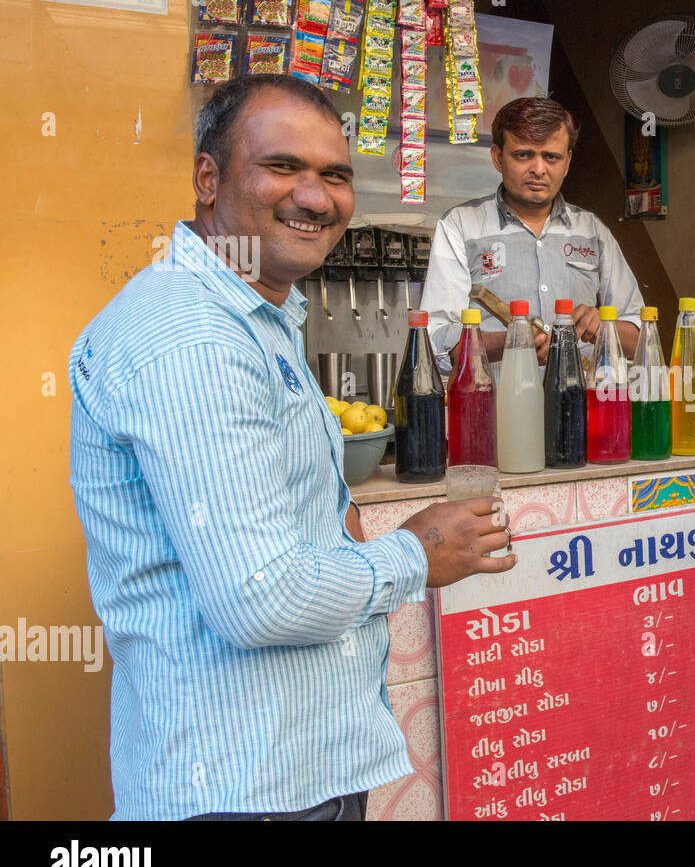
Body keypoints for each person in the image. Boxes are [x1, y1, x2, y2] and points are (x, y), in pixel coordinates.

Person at [68, 75, 517, 821]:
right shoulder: (192, 336)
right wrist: (414, 552)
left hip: (295, 769)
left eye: (335, 175)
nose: (316, 197)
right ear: (208, 178)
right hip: (242, 789)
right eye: (283, 167)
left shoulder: (257, 316)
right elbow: (259, 596)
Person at [420, 97, 644, 366]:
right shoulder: (460, 226)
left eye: (551, 157)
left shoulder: (593, 231)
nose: (539, 169)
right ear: (497, 157)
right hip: (495, 407)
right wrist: (514, 342)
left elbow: (642, 339)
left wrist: (604, 329)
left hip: (582, 405)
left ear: (567, 162)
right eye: (523, 155)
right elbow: (436, 342)